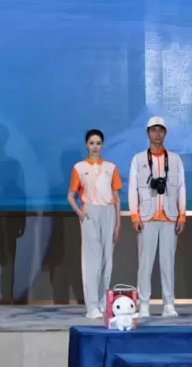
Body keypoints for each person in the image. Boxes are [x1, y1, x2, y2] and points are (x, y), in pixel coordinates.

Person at [128, 116, 186, 318]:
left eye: (161, 130)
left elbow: (181, 188)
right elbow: (132, 189)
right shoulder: (138, 159)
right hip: (146, 217)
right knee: (145, 264)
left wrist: (182, 215)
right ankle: (144, 304)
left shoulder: (175, 160)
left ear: (165, 133)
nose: (157, 134)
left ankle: (169, 304)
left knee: (168, 263)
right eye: (153, 130)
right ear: (147, 133)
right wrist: (134, 216)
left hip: (170, 217)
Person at [67, 129, 122, 319]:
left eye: (98, 143)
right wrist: (80, 212)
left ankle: (103, 303)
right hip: (90, 212)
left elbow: (116, 197)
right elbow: (70, 195)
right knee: (92, 261)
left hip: (109, 212)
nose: (95, 147)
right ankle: (91, 307)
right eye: (92, 143)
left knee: (107, 260)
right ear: (86, 145)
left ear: (102, 145)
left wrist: (118, 223)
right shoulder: (79, 167)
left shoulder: (110, 168)